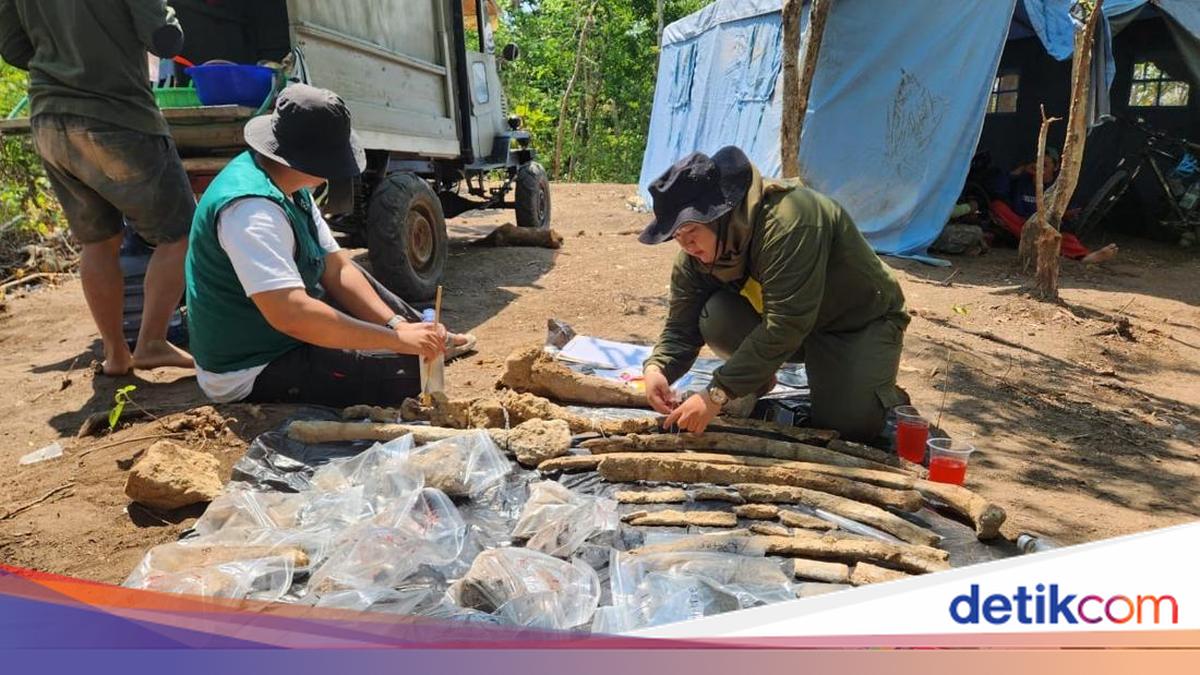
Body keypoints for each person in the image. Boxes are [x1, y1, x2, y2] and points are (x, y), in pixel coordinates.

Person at [185, 84, 473, 406]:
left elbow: (336, 269)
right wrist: (395, 341)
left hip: (284, 334)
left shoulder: (289, 183)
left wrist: (396, 325)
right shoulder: (252, 210)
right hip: (253, 366)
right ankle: (419, 343)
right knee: (409, 371)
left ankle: (423, 333)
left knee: (401, 327)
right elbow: (291, 314)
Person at [639, 146, 910, 442]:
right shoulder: (697, 256)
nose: (687, 246)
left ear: (721, 216)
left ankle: (875, 387)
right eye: (677, 237)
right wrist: (657, 369)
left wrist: (716, 394)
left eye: (691, 232)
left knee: (847, 428)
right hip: (794, 325)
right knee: (715, 315)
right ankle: (755, 380)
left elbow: (786, 325)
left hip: (855, 324)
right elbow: (681, 327)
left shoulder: (789, 222)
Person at [0, 0, 196, 375]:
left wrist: (64, 62)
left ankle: (116, 353)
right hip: (117, 116)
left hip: (49, 118)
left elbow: (12, 47)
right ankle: (152, 342)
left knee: (99, 240)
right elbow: (165, 38)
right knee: (181, 233)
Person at [991, 148, 1119, 264]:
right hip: (1020, 228)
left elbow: (1071, 214)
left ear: (1055, 167)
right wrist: (1019, 171)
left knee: (1062, 237)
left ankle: (1085, 257)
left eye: (1045, 165)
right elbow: (998, 192)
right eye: (1037, 164)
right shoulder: (1021, 182)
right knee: (998, 206)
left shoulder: (1059, 188)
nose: (1039, 168)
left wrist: (1064, 214)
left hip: (1047, 231)